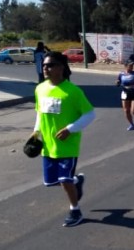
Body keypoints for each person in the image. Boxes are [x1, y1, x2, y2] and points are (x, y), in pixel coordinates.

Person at [32, 51, 96, 227]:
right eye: (44, 65)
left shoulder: (73, 92)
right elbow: (39, 113)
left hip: (68, 145)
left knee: (64, 180)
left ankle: (75, 210)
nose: (45, 68)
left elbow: (90, 114)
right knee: (51, 182)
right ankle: (77, 182)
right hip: (47, 144)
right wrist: (35, 133)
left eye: (50, 65)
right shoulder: (40, 88)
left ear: (61, 67)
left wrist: (70, 129)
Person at [116, 61, 134, 130]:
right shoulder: (121, 74)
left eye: (132, 66)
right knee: (126, 110)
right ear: (126, 66)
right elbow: (117, 84)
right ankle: (132, 125)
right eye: (130, 66)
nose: (132, 67)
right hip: (125, 93)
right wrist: (117, 83)